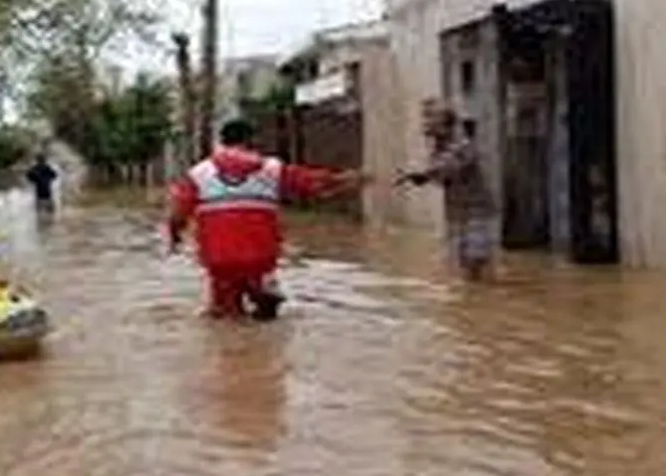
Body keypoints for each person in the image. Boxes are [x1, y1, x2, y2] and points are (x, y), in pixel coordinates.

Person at [168, 119, 366, 320]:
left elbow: (178, 214)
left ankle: (232, 332)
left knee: (226, 316)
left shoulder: (199, 174)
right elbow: (312, 182)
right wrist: (348, 180)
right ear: (251, 141)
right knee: (264, 306)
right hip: (261, 255)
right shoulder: (271, 169)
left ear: (222, 141)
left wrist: (175, 236)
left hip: (220, 258)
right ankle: (264, 302)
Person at [396, 102, 496, 281]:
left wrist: (425, 175)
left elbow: (451, 165)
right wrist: (423, 177)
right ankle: (473, 296)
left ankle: (479, 291)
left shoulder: (462, 144)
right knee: (462, 259)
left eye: (432, 123)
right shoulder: (439, 148)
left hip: (476, 209)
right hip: (457, 210)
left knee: (475, 256)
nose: (427, 128)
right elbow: (440, 173)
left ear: (445, 125)